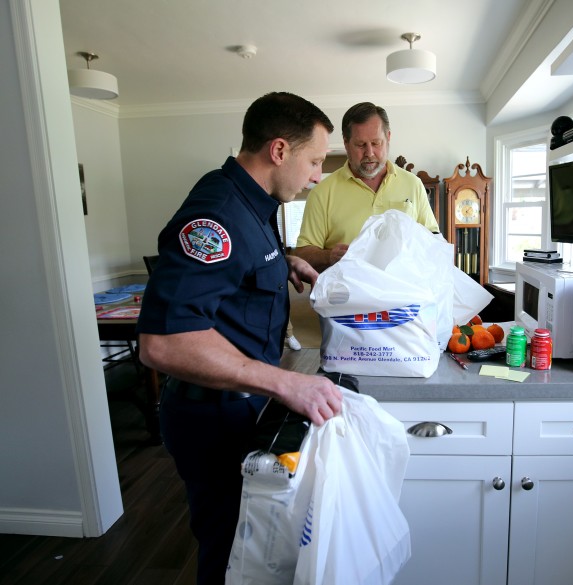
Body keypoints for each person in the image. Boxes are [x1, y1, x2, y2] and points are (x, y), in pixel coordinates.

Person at [136, 92, 343, 585]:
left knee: (256, 544)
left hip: (240, 404)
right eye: (314, 160)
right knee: (231, 551)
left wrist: (281, 261)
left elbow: (237, 268)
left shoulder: (256, 199)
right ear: (278, 151)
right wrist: (285, 383)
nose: (318, 174)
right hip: (211, 416)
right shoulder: (218, 213)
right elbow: (162, 343)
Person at [294, 102, 439, 271]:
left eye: (376, 143)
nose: (369, 153)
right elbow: (302, 254)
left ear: (388, 137)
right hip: (348, 295)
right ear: (346, 143)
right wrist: (329, 256)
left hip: (405, 293)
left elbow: (433, 241)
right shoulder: (322, 193)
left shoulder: (413, 184)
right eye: (360, 145)